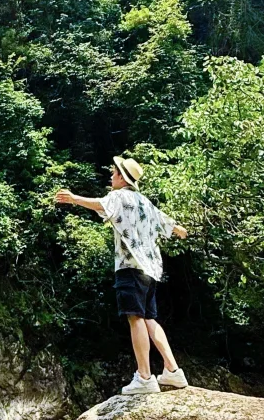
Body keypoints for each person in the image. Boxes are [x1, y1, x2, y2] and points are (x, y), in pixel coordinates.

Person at [55, 155, 189, 395]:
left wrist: (74, 199)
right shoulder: (144, 202)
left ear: (121, 177)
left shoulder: (118, 196)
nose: (110, 176)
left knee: (135, 318)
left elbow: (100, 204)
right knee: (150, 319)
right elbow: (165, 222)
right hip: (150, 270)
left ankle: (145, 377)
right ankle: (173, 371)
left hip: (130, 266)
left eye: (113, 173)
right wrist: (178, 229)